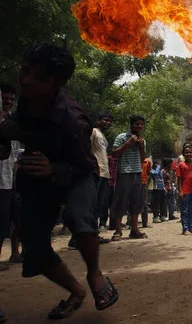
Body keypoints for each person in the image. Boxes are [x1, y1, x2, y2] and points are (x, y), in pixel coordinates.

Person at [0, 43, 118, 319]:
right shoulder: (27, 99)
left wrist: (53, 167)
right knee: (35, 246)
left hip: (76, 174)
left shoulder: (73, 119)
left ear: (56, 83)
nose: (26, 80)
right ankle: (76, 291)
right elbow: (19, 125)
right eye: (25, 71)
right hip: (37, 175)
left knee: (79, 218)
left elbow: (83, 165)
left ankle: (94, 273)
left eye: (39, 78)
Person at [110, 115, 147, 241]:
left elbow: (142, 159)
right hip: (124, 172)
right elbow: (114, 154)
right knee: (121, 201)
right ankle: (118, 230)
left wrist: (141, 146)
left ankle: (135, 230)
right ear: (131, 124)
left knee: (136, 202)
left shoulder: (142, 140)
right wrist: (127, 144)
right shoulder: (121, 137)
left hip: (137, 173)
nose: (139, 126)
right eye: (137, 124)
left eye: (141, 124)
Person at [0, 83, 22, 267]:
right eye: (4, 98)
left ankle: (16, 253)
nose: (7, 102)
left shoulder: (14, 121)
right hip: (1, 181)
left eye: (10, 99)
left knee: (17, 218)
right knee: (2, 220)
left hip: (11, 178)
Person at [91, 112, 113, 232]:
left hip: (105, 173)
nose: (108, 123)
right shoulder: (93, 132)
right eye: (105, 120)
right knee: (92, 203)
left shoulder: (103, 138)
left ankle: (93, 233)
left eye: (110, 121)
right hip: (96, 173)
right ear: (98, 120)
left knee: (99, 204)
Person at [140, 157, 152, 228]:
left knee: (144, 203)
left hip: (143, 183)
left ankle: (145, 222)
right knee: (132, 202)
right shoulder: (135, 159)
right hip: (134, 182)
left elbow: (148, 172)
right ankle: (130, 222)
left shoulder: (147, 161)